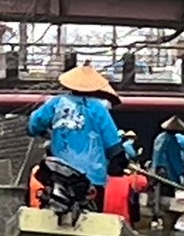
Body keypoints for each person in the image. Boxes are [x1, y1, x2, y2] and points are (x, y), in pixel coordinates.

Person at [27, 63, 125, 206]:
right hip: (92, 177)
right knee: (92, 213)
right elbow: (113, 145)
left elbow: (33, 125)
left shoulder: (56, 103)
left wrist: (46, 132)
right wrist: (118, 163)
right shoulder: (98, 108)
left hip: (58, 173)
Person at [148, 115, 184, 227]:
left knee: (157, 194)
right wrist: (181, 173)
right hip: (167, 172)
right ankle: (164, 217)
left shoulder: (159, 138)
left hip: (157, 171)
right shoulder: (172, 141)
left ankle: (155, 214)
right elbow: (175, 159)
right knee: (167, 196)